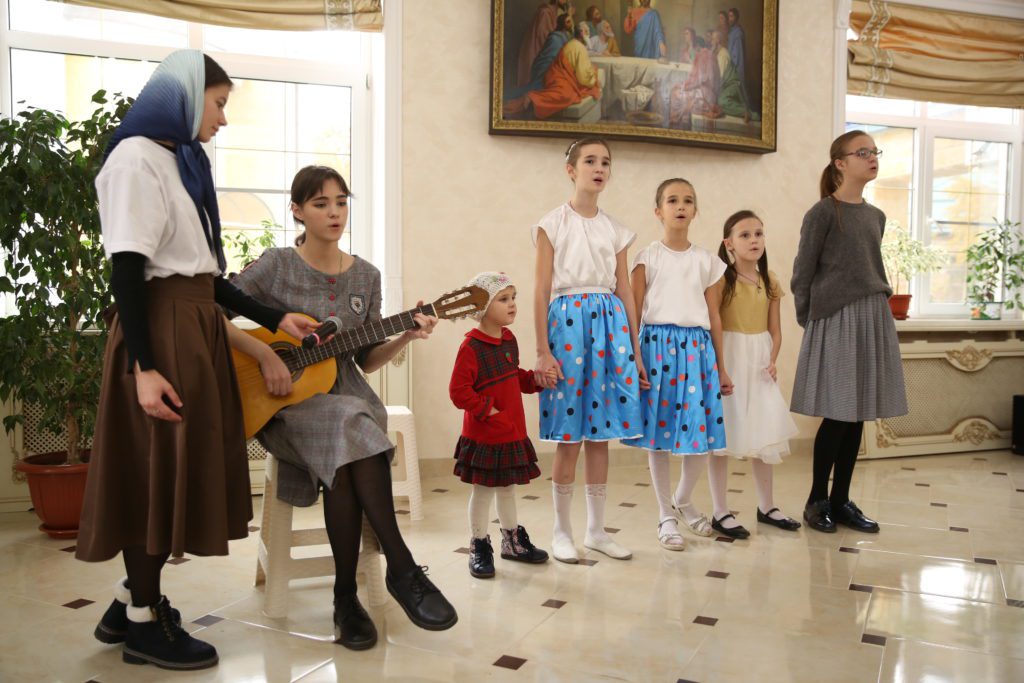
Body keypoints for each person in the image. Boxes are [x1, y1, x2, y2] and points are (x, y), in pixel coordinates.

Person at [76, 50, 320, 671]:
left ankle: (130, 603)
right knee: (153, 477)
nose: (223, 118)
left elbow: (204, 276)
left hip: (192, 325)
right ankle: (142, 625)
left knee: (171, 475)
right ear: (184, 95)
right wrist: (144, 367)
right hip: (162, 331)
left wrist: (274, 319)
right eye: (219, 103)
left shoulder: (179, 159)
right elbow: (127, 270)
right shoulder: (135, 159)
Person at [230, 165, 458, 650]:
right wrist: (265, 355)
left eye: (341, 202)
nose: (334, 212)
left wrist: (405, 335)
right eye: (321, 204)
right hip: (284, 406)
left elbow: (366, 360)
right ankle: (401, 569)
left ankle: (345, 598)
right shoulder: (275, 265)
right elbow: (212, 310)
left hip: (348, 398)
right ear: (297, 210)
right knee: (351, 427)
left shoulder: (367, 276)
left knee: (350, 424)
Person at [532, 138, 647, 563]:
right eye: (590, 161)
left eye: (606, 163)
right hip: (566, 327)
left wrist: (634, 352)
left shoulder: (616, 230)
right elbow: (541, 289)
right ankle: (561, 531)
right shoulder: (551, 224)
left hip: (610, 329)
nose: (599, 168)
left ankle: (596, 530)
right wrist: (543, 350)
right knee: (569, 436)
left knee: (601, 436)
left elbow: (625, 291)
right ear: (571, 170)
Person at [791, 130, 908, 534]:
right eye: (863, 152)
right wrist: (811, 321)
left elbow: (868, 268)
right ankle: (816, 500)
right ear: (840, 163)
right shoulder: (822, 213)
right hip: (835, 319)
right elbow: (802, 274)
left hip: (872, 315)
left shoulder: (876, 216)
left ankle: (841, 501)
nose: (872, 157)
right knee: (838, 414)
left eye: (875, 152)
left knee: (858, 414)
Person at [622, 179, 734, 549]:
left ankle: (683, 499)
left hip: (697, 352)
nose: (680, 206)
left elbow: (714, 316)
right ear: (659, 211)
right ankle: (665, 514)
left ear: (695, 211)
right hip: (656, 349)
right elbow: (634, 312)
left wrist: (721, 366)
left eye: (688, 200)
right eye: (672, 200)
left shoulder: (708, 262)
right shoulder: (646, 258)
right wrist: (635, 358)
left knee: (699, 435)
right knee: (659, 436)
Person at [449, 272, 551, 579]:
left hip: (510, 432)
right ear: (482, 306)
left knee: (507, 489)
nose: (512, 304)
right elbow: (458, 391)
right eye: (503, 299)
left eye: (513, 298)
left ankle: (512, 542)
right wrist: (489, 410)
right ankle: (479, 544)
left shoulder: (508, 340)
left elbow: (513, 375)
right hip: (485, 435)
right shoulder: (471, 347)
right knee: (483, 492)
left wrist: (534, 380)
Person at [717, 210, 800, 531]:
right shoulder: (721, 281)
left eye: (759, 234)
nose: (754, 240)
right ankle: (720, 510)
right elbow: (714, 326)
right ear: (729, 244)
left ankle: (767, 506)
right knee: (722, 436)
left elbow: (775, 330)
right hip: (730, 360)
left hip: (760, 364)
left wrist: (772, 359)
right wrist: (719, 367)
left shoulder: (770, 281)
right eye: (745, 235)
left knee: (765, 433)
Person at [504, 23, 601, 120]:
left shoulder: (574, 43)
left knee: (573, 93)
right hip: (559, 77)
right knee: (566, 95)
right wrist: (593, 78)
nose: (589, 35)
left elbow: (580, 71)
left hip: (558, 76)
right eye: (587, 32)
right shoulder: (579, 47)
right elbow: (583, 78)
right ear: (581, 33)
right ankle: (531, 98)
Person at [517, 0, 569, 87]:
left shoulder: (554, 12)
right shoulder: (545, 12)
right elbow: (543, 37)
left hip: (546, 50)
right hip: (537, 51)